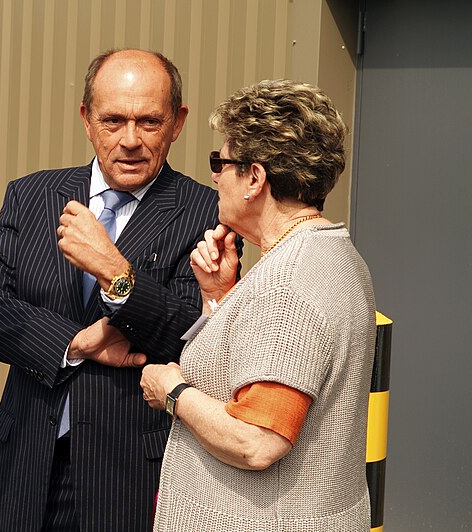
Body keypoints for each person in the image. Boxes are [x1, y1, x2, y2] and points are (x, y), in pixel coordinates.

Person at [0, 49, 231, 531]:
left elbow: (196, 336)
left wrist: (114, 271)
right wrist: (73, 343)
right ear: (86, 119)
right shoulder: (32, 195)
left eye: (149, 122)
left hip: (126, 479)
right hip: (24, 464)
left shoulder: (207, 213)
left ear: (177, 122)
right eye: (113, 120)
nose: (131, 140)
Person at [140, 79, 376, 531]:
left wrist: (172, 391)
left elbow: (257, 440)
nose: (214, 176)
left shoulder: (288, 284)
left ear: (254, 178)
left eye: (221, 162)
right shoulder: (331, 252)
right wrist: (219, 297)